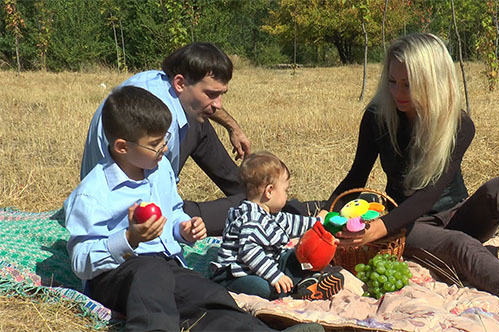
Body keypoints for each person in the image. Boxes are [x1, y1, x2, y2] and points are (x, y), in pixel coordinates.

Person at [321, 33, 499, 322]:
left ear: (432, 83)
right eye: (392, 81)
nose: (397, 92)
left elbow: (431, 193)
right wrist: (329, 211)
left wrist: (378, 227)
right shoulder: (377, 117)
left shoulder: (459, 125)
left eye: (409, 84)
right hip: (409, 223)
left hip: (457, 214)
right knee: (460, 246)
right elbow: (356, 176)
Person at [65, 86, 324, 332]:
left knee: (210, 295)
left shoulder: (160, 169)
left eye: (165, 139)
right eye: (155, 143)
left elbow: (174, 210)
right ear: (122, 146)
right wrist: (129, 238)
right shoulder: (93, 193)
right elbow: (81, 262)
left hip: (165, 267)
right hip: (116, 275)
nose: (164, 148)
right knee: (150, 273)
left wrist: (183, 228)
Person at [80, 42, 321, 236]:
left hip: (125, 176)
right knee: (244, 211)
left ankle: (250, 190)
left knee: (200, 122)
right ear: (181, 82)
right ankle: (274, 208)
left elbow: (205, 108)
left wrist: (233, 126)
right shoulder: (164, 129)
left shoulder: (157, 82)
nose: (218, 104)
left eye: (222, 94)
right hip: (124, 208)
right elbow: (156, 203)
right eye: (212, 94)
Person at [212, 151, 344, 301]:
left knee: (295, 256)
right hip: (236, 274)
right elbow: (248, 252)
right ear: (269, 191)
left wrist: (325, 224)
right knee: (262, 288)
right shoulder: (252, 219)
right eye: (285, 190)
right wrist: (275, 276)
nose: (287, 195)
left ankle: (307, 281)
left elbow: (297, 223)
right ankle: (297, 288)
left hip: (266, 265)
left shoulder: (272, 215)